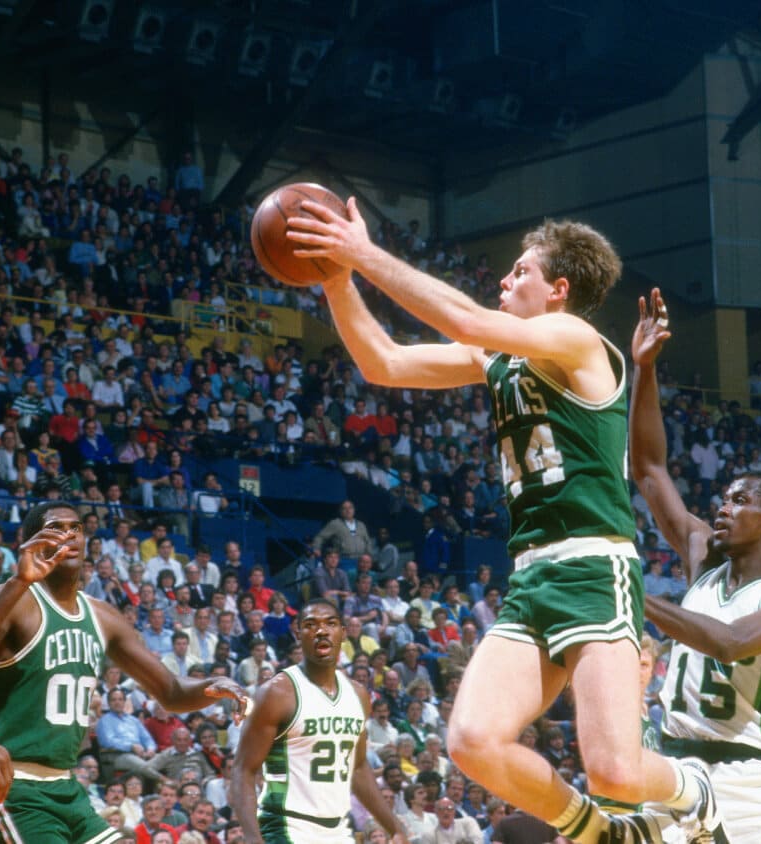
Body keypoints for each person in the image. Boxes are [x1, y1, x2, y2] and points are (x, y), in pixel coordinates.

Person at [288, 207, 717, 841]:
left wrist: (362, 253)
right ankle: (599, 833)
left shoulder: (576, 340)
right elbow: (384, 363)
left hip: (595, 566)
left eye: (521, 272)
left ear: (559, 291)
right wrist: (334, 279)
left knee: (616, 771)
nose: (505, 281)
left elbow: (463, 317)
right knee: (470, 741)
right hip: (531, 577)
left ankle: (695, 792)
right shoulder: (499, 356)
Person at [629, 288, 761, 843]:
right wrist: (645, 371)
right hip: (676, 770)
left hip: (749, 778)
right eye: (724, 497)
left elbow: (732, 642)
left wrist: (634, 595)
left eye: (740, 501)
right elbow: (649, 469)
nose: (722, 506)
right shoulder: (703, 558)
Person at [0, 501, 247, 843]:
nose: (69, 535)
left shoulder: (102, 616)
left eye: (76, 528)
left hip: (67, 789)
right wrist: (19, 580)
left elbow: (171, 691)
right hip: (13, 787)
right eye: (56, 528)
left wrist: (215, 684)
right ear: (29, 543)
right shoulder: (14, 599)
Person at [232, 598, 408, 844]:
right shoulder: (277, 693)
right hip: (286, 827)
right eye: (311, 625)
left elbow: (357, 768)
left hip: (336, 829)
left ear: (343, 633)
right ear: (297, 633)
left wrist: (396, 827)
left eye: (331, 623)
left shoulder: (358, 695)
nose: (321, 631)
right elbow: (243, 770)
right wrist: (253, 838)